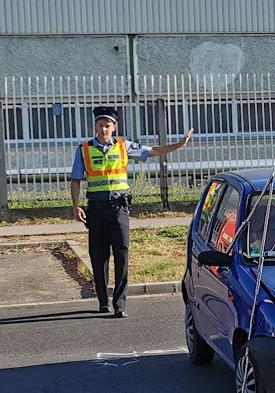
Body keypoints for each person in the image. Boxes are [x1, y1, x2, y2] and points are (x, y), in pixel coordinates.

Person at [69, 107, 193, 317]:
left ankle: (120, 304)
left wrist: (179, 145)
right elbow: (75, 179)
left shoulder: (122, 145)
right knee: (98, 258)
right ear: (95, 127)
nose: (104, 129)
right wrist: (75, 205)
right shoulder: (84, 149)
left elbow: (152, 151)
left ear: (114, 127)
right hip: (96, 210)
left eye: (108, 125)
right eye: (100, 125)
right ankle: (103, 301)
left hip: (118, 208)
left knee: (122, 255)